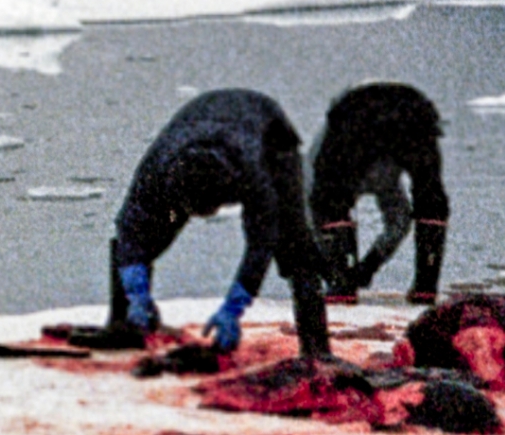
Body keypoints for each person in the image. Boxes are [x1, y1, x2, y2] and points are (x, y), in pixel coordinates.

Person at [108, 89, 331, 359]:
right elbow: (129, 227)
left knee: (292, 240)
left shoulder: (253, 174)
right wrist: (136, 291)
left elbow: (262, 241)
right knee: (147, 232)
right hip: (199, 121)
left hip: (270, 133)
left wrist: (234, 307)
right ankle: (125, 326)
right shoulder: (159, 170)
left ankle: (317, 350)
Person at [309, 82, 448, 304]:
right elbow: (400, 222)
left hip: (358, 116)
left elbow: (313, 217)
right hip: (414, 110)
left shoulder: (324, 165)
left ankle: (342, 288)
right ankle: (426, 288)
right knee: (430, 199)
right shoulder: (387, 179)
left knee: (328, 202)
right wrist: (369, 266)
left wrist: (340, 271)